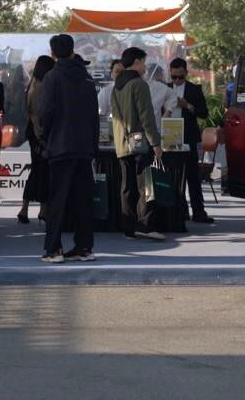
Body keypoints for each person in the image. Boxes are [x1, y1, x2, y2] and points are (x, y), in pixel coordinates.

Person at [37, 34, 99, 263]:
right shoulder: (86, 77)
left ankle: (54, 249)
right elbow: (94, 115)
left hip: (60, 146)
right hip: (84, 147)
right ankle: (84, 247)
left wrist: (45, 138)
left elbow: (45, 112)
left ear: (53, 53)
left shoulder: (52, 77)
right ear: (73, 51)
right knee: (83, 200)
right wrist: (93, 145)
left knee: (57, 200)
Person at [111, 46, 165, 241]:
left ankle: (128, 227)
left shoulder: (117, 86)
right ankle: (146, 225)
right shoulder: (139, 84)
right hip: (140, 143)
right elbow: (146, 117)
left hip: (122, 143)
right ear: (136, 62)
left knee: (126, 186)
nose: (145, 66)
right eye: (143, 62)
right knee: (146, 185)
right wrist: (155, 143)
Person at [168, 58, 214, 224]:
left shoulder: (194, 89)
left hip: (188, 136)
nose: (177, 80)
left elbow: (203, 113)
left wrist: (188, 106)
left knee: (192, 176)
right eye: (174, 77)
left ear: (186, 73)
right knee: (172, 175)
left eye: (180, 77)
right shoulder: (165, 88)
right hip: (169, 135)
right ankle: (179, 210)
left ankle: (198, 211)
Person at [18, 55, 54, 225]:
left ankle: (26, 208)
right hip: (39, 134)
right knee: (43, 172)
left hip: (34, 133)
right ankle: (42, 209)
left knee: (36, 172)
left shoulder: (32, 84)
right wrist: (42, 136)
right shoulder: (40, 87)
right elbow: (38, 114)